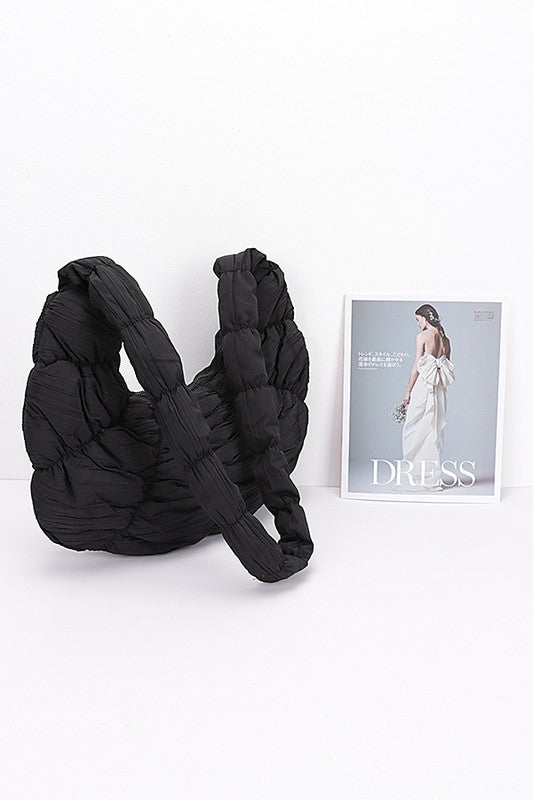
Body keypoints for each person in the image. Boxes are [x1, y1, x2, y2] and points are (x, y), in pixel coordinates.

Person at [397, 304, 455, 492]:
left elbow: (417, 366)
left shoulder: (422, 336)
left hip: (424, 386)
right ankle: (429, 477)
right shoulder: (446, 340)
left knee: (413, 427)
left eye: (418, 319)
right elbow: (446, 365)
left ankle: (416, 475)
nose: (417, 324)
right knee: (432, 430)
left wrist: (408, 391)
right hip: (438, 389)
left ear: (425, 318)